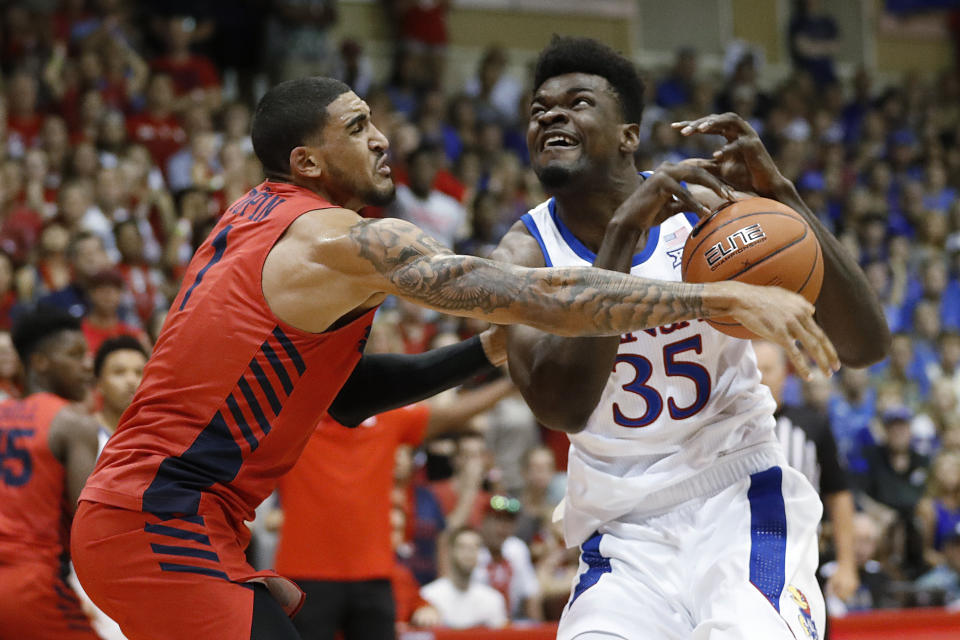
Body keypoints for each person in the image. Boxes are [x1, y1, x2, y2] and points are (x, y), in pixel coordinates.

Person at [71, 76, 836, 640]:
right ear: (306, 161)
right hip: (159, 518)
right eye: (358, 125)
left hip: (163, 517)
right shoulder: (339, 239)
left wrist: (479, 352)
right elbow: (540, 295)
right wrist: (715, 302)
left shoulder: (252, 219)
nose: (380, 137)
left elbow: (347, 394)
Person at [490, 37, 888, 640]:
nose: (550, 115)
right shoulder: (524, 255)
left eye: (576, 102)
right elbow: (561, 406)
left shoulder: (704, 212)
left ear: (628, 135)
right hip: (622, 532)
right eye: (539, 108)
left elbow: (865, 345)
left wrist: (781, 195)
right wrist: (622, 233)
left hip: (740, 497)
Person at [274, 334, 514, 640]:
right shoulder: (290, 418)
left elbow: (452, 414)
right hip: (303, 576)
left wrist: (510, 384)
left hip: (372, 575)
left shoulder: (387, 419)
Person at [0, 306, 100, 639]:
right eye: (74, 355)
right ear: (40, 362)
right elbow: (88, 525)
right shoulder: (73, 423)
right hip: (32, 582)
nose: (88, 365)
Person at [420, 526, 508, 629]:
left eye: (475, 547)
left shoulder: (493, 600)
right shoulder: (428, 596)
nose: (469, 553)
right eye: (462, 547)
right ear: (450, 551)